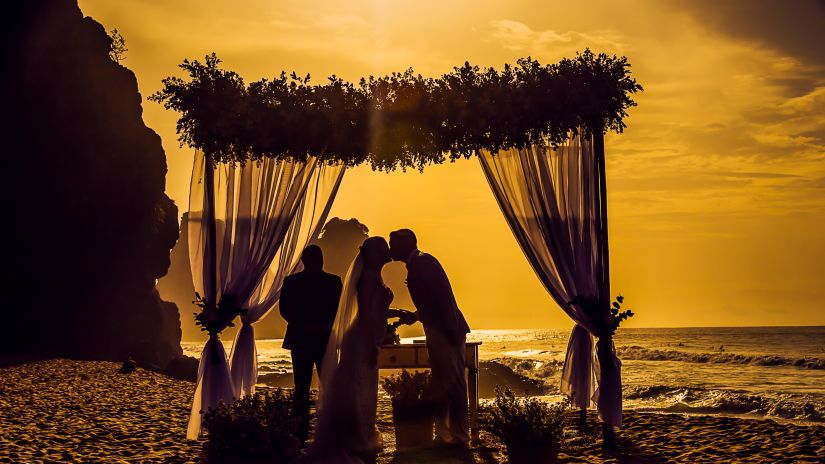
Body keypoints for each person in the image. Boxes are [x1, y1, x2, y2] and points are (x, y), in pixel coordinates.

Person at [301, 237, 413, 463]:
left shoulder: (373, 277)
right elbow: (368, 316)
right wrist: (372, 342)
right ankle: (357, 438)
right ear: (373, 254)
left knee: (363, 387)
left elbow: (376, 310)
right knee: (361, 387)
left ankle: (360, 434)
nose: (387, 250)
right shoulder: (368, 279)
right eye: (382, 247)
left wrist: (398, 313)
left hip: (366, 336)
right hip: (363, 338)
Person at [389, 229, 471, 448]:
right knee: (443, 382)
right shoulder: (418, 263)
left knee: (454, 383)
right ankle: (445, 434)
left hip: (446, 332)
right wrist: (416, 316)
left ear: (406, 244)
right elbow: (431, 303)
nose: (390, 249)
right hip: (438, 332)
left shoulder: (423, 263)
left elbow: (443, 298)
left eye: (392, 243)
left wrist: (451, 331)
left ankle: (460, 436)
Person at [279, 245, 343, 438]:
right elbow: (339, 310)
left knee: (302, 383)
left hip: (300, 337)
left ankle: (300, 427)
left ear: (303, 261)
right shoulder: (333, 282)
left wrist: (302, 323)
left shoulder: (291, 282)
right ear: (321, 259)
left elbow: (285, 310)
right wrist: (323, 324)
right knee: (328, 382)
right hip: (323, 337)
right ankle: (332, 423)